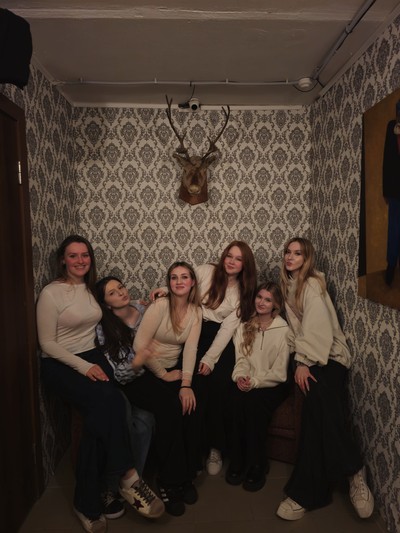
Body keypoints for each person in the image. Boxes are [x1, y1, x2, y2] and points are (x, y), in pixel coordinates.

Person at [37, 235, 164, 533]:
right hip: (60, 362)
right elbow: (47, 344)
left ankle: (87, 503)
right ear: (62, 260)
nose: (80, 260)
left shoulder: (89, 290)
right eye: (73, 255)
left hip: (93, 356)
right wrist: (85, 366)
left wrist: (153, 300)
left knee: (101, 415)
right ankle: (128, 476)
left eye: (85, 255)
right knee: (108, 402)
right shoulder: (51, 293)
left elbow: (121, 304)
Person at [276, 237, 374, 521]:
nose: (290, 257)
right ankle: (354, 468)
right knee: (316, 409)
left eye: (298, 253)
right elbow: (295, 330)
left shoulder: (311, 284)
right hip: (308, 355)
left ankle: (306, 493)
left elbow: (318, 327)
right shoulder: (288, 286)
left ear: (307, 259)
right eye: (288, 252)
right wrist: (297, 358)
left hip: (330, 356)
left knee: (317, 398)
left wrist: (303, 362)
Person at [95, 262, 202, 517]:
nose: (121, 292)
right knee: (170, 408)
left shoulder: (144, 307)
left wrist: (186, 384)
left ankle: (186, 476)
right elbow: (134, 354)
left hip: (159, 370)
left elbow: (190, 347)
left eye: (121, 287)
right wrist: (162, 374)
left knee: (190, 407)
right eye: (173, 277)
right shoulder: (109, 325)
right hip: (137, 376)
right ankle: (169, 482)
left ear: (193, 282)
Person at [151, 240, 257, 476]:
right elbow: (184, 284)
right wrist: (166, 290)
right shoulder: (206, 271)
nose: (231, 261)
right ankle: (193, 450)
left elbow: (227, 329)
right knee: (193, 386)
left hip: (220, 339)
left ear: (245, 264)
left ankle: (215, 448)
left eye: (238, 259)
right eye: (229, 255)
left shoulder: (243, 293)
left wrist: (210, 358)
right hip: (195, 329)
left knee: (219, 386)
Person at [226, 282, 290, 492]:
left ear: (275, 305)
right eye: (259, 297)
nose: (262, 303)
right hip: (248, 379)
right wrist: (241, 377)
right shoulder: (244, 326)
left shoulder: (284, 330)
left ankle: (257, 464)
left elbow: (279, 372)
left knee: (254, 405)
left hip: (272, 384)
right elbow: (241, 359)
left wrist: (255, 382)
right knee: (235, 401)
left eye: (268, 300)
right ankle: (237, 461)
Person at [382, 100, 400, 286]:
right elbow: (387, 157)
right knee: (394, 229)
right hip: (395, 189)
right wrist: (386, 189)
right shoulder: (391, 127)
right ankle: (391, 265)